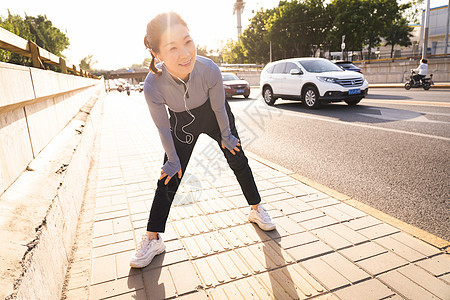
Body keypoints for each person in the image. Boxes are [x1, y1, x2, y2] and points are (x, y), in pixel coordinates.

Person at [129, 12, 276, 269]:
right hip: (181, 122)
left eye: (188, 41)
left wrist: (227, 136)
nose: (185, 53)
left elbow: (220, 109)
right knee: (169, 174)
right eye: (173, 48)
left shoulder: (209, 69)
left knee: (237, 157)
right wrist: (173, 160)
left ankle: (256, 208)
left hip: (213, 114)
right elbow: (163, 127)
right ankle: (153, 238)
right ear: (158, 55)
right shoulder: (153, 85)